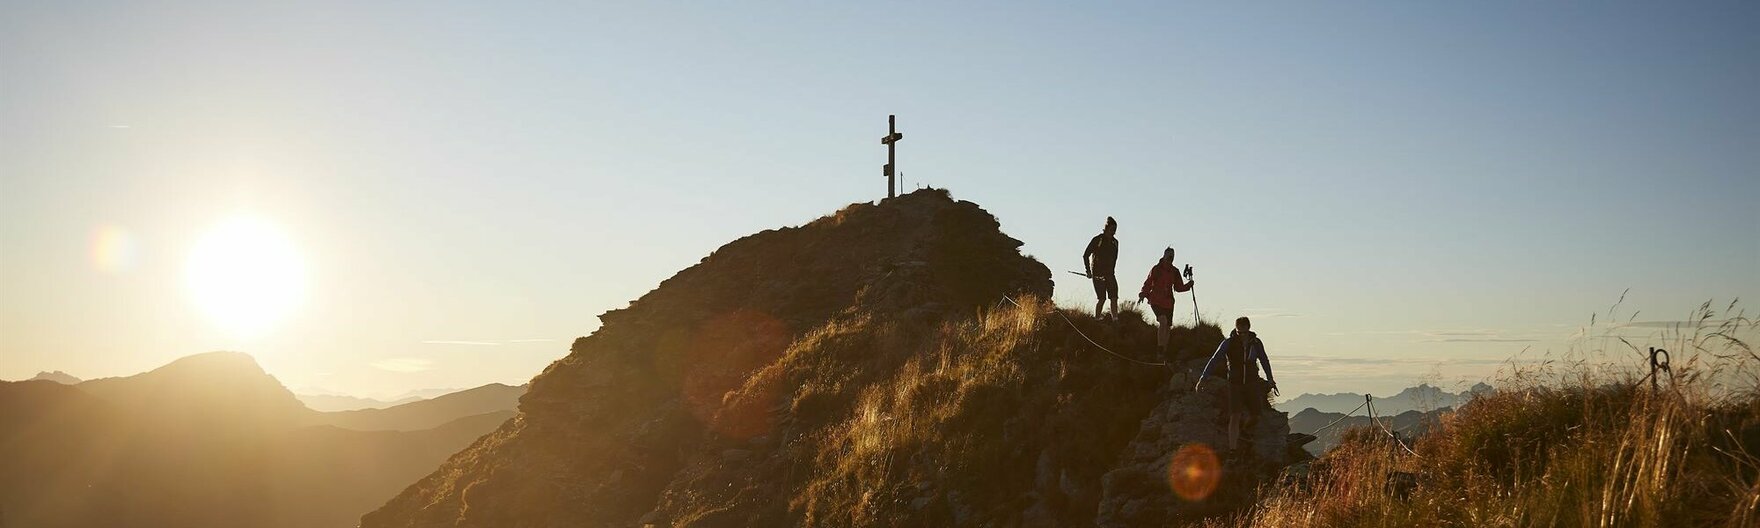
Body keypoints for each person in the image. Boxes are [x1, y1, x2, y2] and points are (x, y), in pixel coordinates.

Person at [1196, 317, 1277, 455]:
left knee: (1256, 414)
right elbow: (1214, 360)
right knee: (1235, 415)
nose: (1242, 336)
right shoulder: (1228, 343)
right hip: (1235, 384)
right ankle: (1232, 450)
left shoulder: (1256, 343)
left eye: (1244, 332)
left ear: (1249, 329)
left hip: (1252, 382)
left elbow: (1264, 360)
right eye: (1239, 333)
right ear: (1236, 330)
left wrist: (1270, 379)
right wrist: (1203, 378)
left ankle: (1244, 430)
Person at [1137, 247, 1193, 354]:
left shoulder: (1175, 271)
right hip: (1156, 300)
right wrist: (1143, 294)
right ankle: (1160, 348)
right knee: (1163, 321)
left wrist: (1189, 285)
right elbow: (1148, 282)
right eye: (1169, 256)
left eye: (1172, 256)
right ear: (1164, 256)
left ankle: (1164, 352)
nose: (1170, 258)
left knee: (1167, 327)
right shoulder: (1156, 269)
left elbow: (1178, 287)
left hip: (1168, 303)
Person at [1083, 217, 1120, 319]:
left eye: (1115, 230)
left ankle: (1115, 320)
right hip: (1098, 274)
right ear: (1107, 228)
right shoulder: (1097, 240)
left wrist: (1112, 271)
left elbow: (1115, 259)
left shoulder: (1115, 243)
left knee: (1114, 297)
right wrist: (1088, 271)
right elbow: (1086, 255)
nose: (1113, 232)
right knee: (1102, 298)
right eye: (1112, 229)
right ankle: (1097, 319)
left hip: (1110, 274)